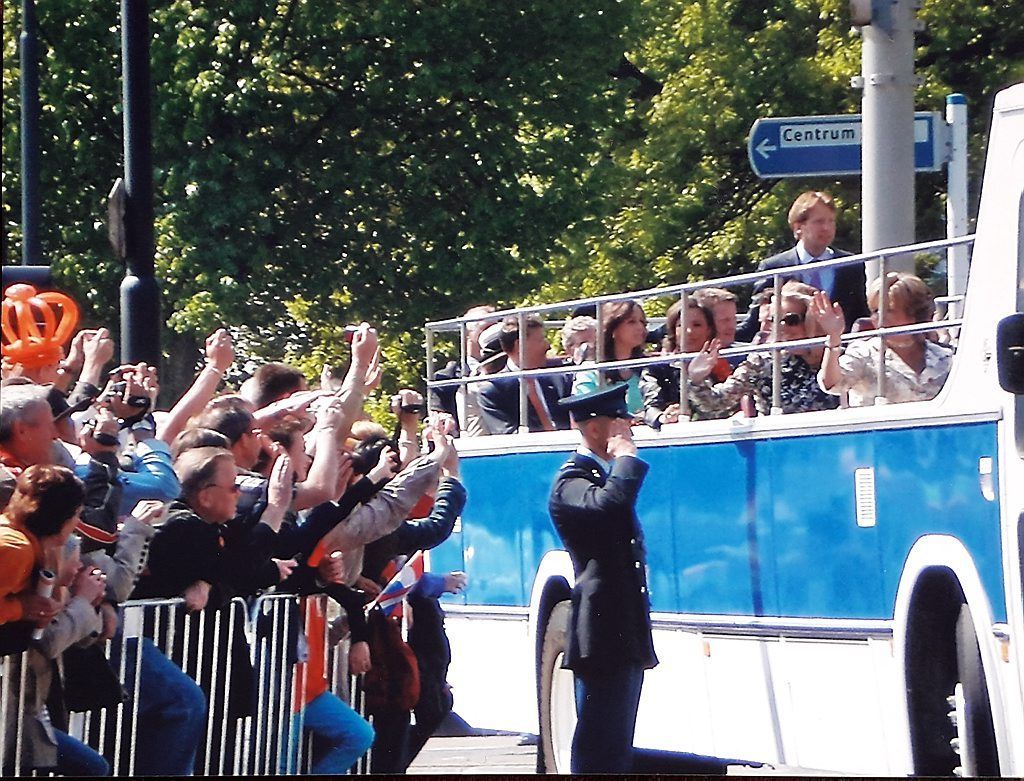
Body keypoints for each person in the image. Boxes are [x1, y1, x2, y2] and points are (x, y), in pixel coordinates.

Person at [547, 384, 658, 773]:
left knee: (616, 744)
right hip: (602, 630)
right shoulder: (572, 479)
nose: (627, 430)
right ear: (595, 429)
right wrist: (626, 460)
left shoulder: (598, 475)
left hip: (620, 628)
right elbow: (606, 506)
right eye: (619, 422)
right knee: (600, 746)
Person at [0, 465, 110, 776]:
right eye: (77, 514)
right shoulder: (14, 548)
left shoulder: (23, 543)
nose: (78, 523)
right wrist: (21, 608)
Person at [736, 191, 868, 342]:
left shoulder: (850, 264)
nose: (826, 228)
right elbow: (754, 322)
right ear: (798, 227)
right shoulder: (774, 268)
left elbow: (860, 315)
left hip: (840, 351)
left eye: (831, 221)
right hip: (789, 355)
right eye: (819, 222)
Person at [687, 289, 839, 416]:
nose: (782, 327)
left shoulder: (838, 354)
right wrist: (696, 379)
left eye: (791, 320)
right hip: (780, 443)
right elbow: (717, 403)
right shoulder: (762, 361)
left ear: (812, 320)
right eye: (775, 320)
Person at [814, 272, 953, 405]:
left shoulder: (944, 357)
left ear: (913, 313)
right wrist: (834, 337)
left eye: (888, 310)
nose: (878, 317)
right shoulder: (863, 353)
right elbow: (832, 384)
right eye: (875, 311)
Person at [639, 298, 727, 426]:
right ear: (673, 330)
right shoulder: (657, 369)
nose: (689, 331)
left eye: (697, 325)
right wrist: (663, 417)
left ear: (709, 330)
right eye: (681, 325)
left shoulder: (724, 367)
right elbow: (651, 407)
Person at [477, 315, 570, 434]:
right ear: (519, 345)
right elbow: (510, 437)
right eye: (541, 340)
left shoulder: (558, 377)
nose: (548, 346)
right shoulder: (493, 391)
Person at [571, 300, 648, 417]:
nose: (640, 327)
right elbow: (584, 416)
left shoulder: (650, 367)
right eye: (631, 322)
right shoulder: (590, 372)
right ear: (612, 327)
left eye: (642, 322)